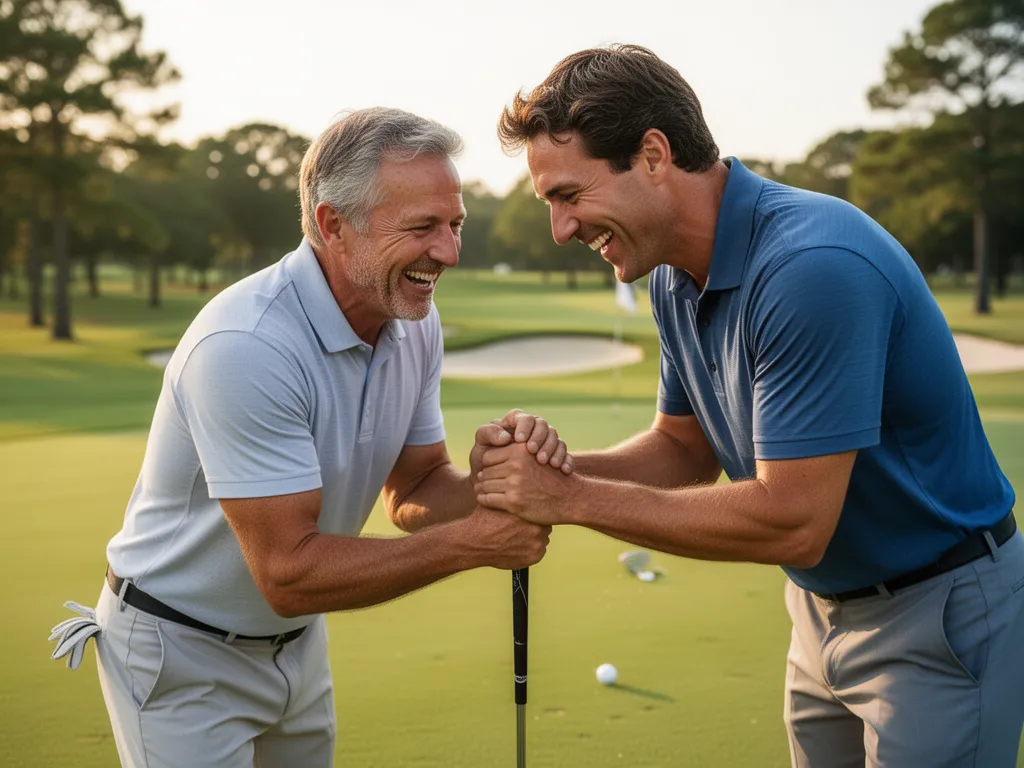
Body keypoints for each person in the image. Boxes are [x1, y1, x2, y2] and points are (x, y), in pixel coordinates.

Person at [482, 44, 1024, 766]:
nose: (560, 228)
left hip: (940, 613)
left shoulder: (809, 267)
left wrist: (569, 498)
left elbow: (794, 520)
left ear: (652, 155)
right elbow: (683, 451)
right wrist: (547, 472)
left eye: (569, 195)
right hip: (819, 613)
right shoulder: (673, 274)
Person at [47, 107, 573, 768]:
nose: (449, 252)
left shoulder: (414, 321)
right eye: (422, 228)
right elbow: (288, 574)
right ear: (333, 225)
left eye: (455, 224)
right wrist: (473, 544)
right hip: (179, 652)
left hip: (296, 644)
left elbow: (413, 488)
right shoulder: (247, 343)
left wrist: (496, 483)